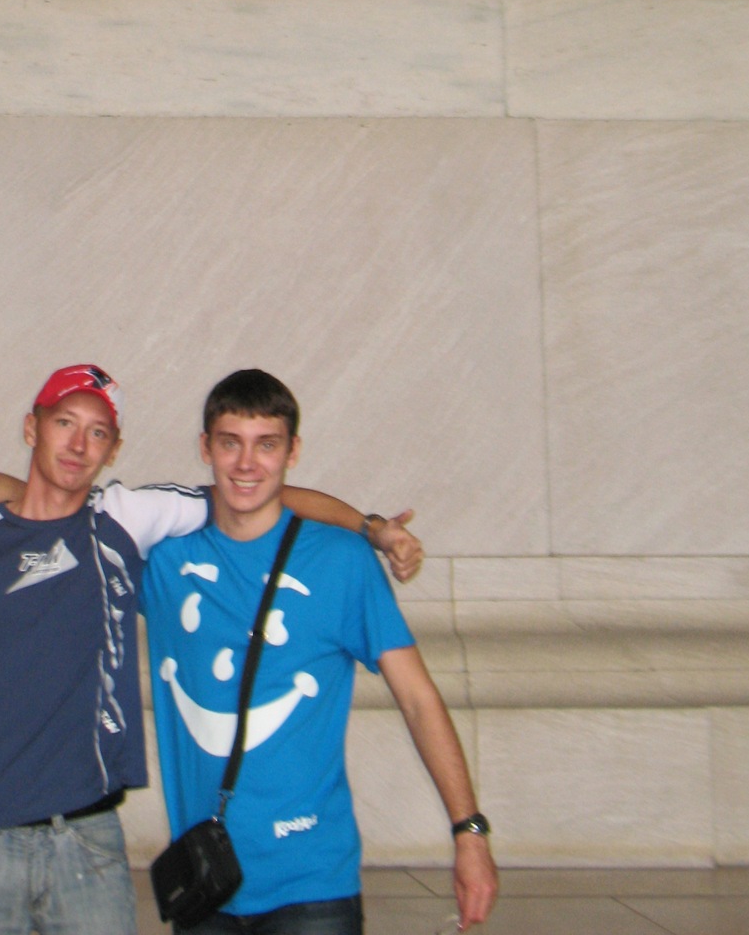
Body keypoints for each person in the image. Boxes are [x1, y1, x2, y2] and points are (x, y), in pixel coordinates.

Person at [0, 363, 421, 935]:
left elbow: (263, 492)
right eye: (65, 423)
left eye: (97, 432)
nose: (79, 444)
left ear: (114, 449)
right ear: (32, 428)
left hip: (91, 841)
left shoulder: (126, 518)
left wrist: (369, 527)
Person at [142, 369, 497, 933]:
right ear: (206, 448)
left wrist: (469, 830)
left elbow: (418, 699)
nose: (246, 463)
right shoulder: (163, 562)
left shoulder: (342, 562)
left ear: (293, 451)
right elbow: (50, 511)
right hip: (207, 882)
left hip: (313, 885)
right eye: (231, 443)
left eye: (267, 445)